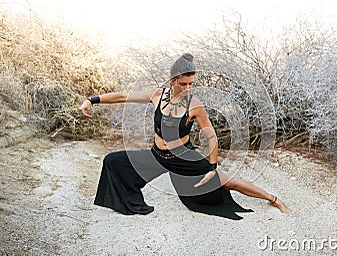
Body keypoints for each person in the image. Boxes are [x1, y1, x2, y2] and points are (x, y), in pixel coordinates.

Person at [79, 53, 291, 220]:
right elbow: (123, 97)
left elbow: (212, 138)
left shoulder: (195, 106)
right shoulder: (157, 95)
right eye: (183, 84)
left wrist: (211, 167)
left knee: (227, 182)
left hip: (183, 158)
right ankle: (130, 203)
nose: (188, 88)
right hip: (157, 156)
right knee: (113, 161)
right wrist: (92, 100)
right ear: (172, 80)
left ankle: (273, 199)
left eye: (191, 84)